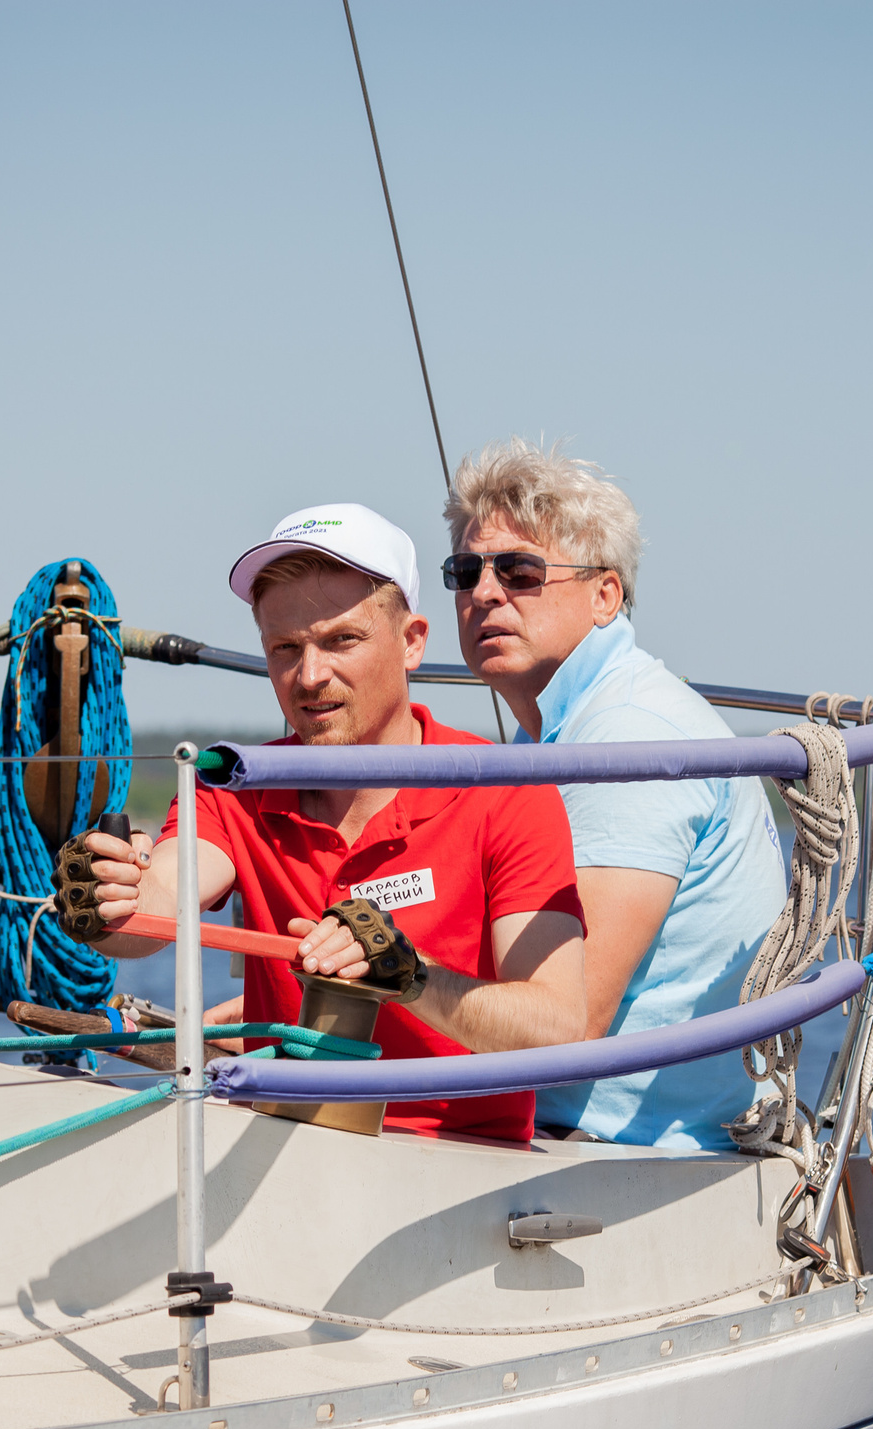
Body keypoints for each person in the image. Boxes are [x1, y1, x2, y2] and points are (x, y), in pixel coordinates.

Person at [65, 503, 586, 1144]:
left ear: (412, 641)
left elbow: (558, 1027)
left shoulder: (505, 792)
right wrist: (113, 893)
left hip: (458, 1172)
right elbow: (159, 900)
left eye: (342, 640)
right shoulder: (234, 781)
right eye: (285, 648)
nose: (309, 677)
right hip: (277, 1152)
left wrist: (408, 974)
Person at [444, 438, 786, 1150]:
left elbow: (569, 1020)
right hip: (580, 1126)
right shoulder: (567, 729)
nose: (483, 592)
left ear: (606, 595)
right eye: (465, 570)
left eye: (520, 571)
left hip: (625, 1152)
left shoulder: (626, 738)